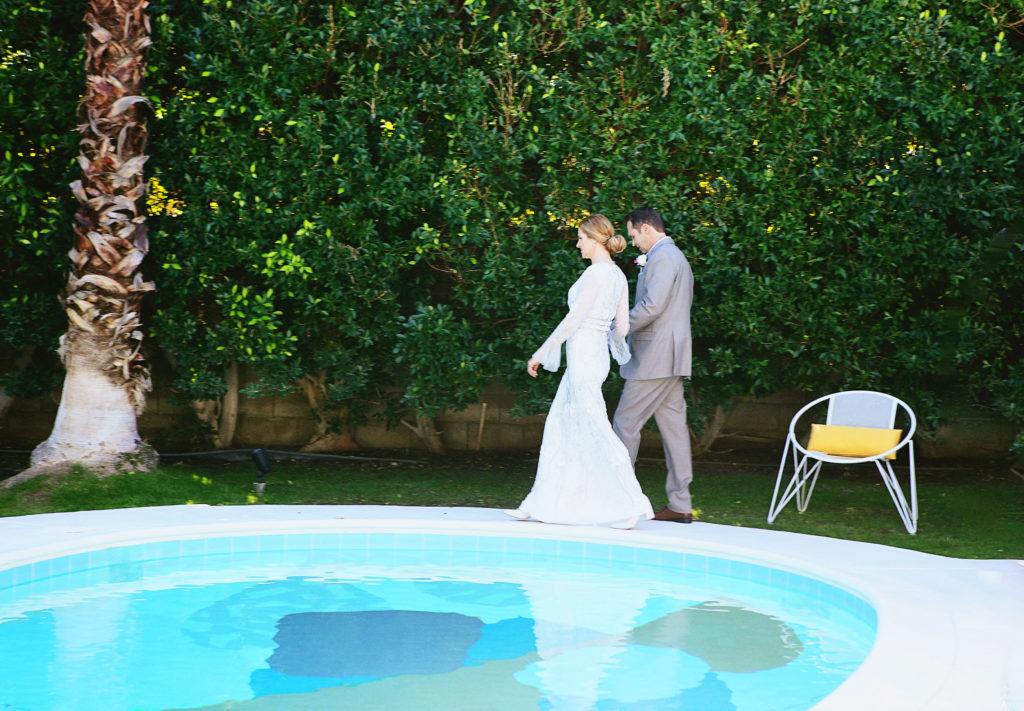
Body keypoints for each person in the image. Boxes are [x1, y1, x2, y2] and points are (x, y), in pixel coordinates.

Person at [505, 214, 654, 529]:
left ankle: (634, 504)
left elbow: (573, 321)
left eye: (581, 238)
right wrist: (610, 344)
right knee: (561, 425)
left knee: (596, 428)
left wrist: (542, 352)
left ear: (595, 239)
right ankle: (538, 502)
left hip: (584, 357)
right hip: (592, 357)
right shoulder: (616, 276)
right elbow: (622, 327)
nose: (577, 244)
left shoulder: (597, 275)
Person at [612, 208, 696, 523]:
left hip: (654, 358)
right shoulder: (677, 256)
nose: (633, 243)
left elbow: (651, 306)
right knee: (674, 431)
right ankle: (680, 503)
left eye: (633, 235)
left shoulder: (662, 257)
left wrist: (616, 328)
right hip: (672, 358)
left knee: (625, 425)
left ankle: (619, 498)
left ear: (647, 229)